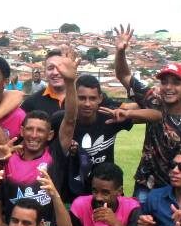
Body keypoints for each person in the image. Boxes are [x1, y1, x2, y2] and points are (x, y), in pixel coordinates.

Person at [112, 24, 181, 202]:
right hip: (146, 185)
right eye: (164, 82)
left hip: (178, 190)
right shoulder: (153, 100)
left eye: (176, 82)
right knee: (140, 219)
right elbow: (124, 75)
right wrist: (121, 52)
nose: (169, 87)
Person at [52, 68, 134, 200]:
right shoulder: (59, 120)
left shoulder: (110, 118)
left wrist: (128, 113)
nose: (87, 104)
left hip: (105, 192)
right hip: (69, 192)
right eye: (82, 98)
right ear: (73, 97)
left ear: (100, 98)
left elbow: (153, 114)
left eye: (92, 98)